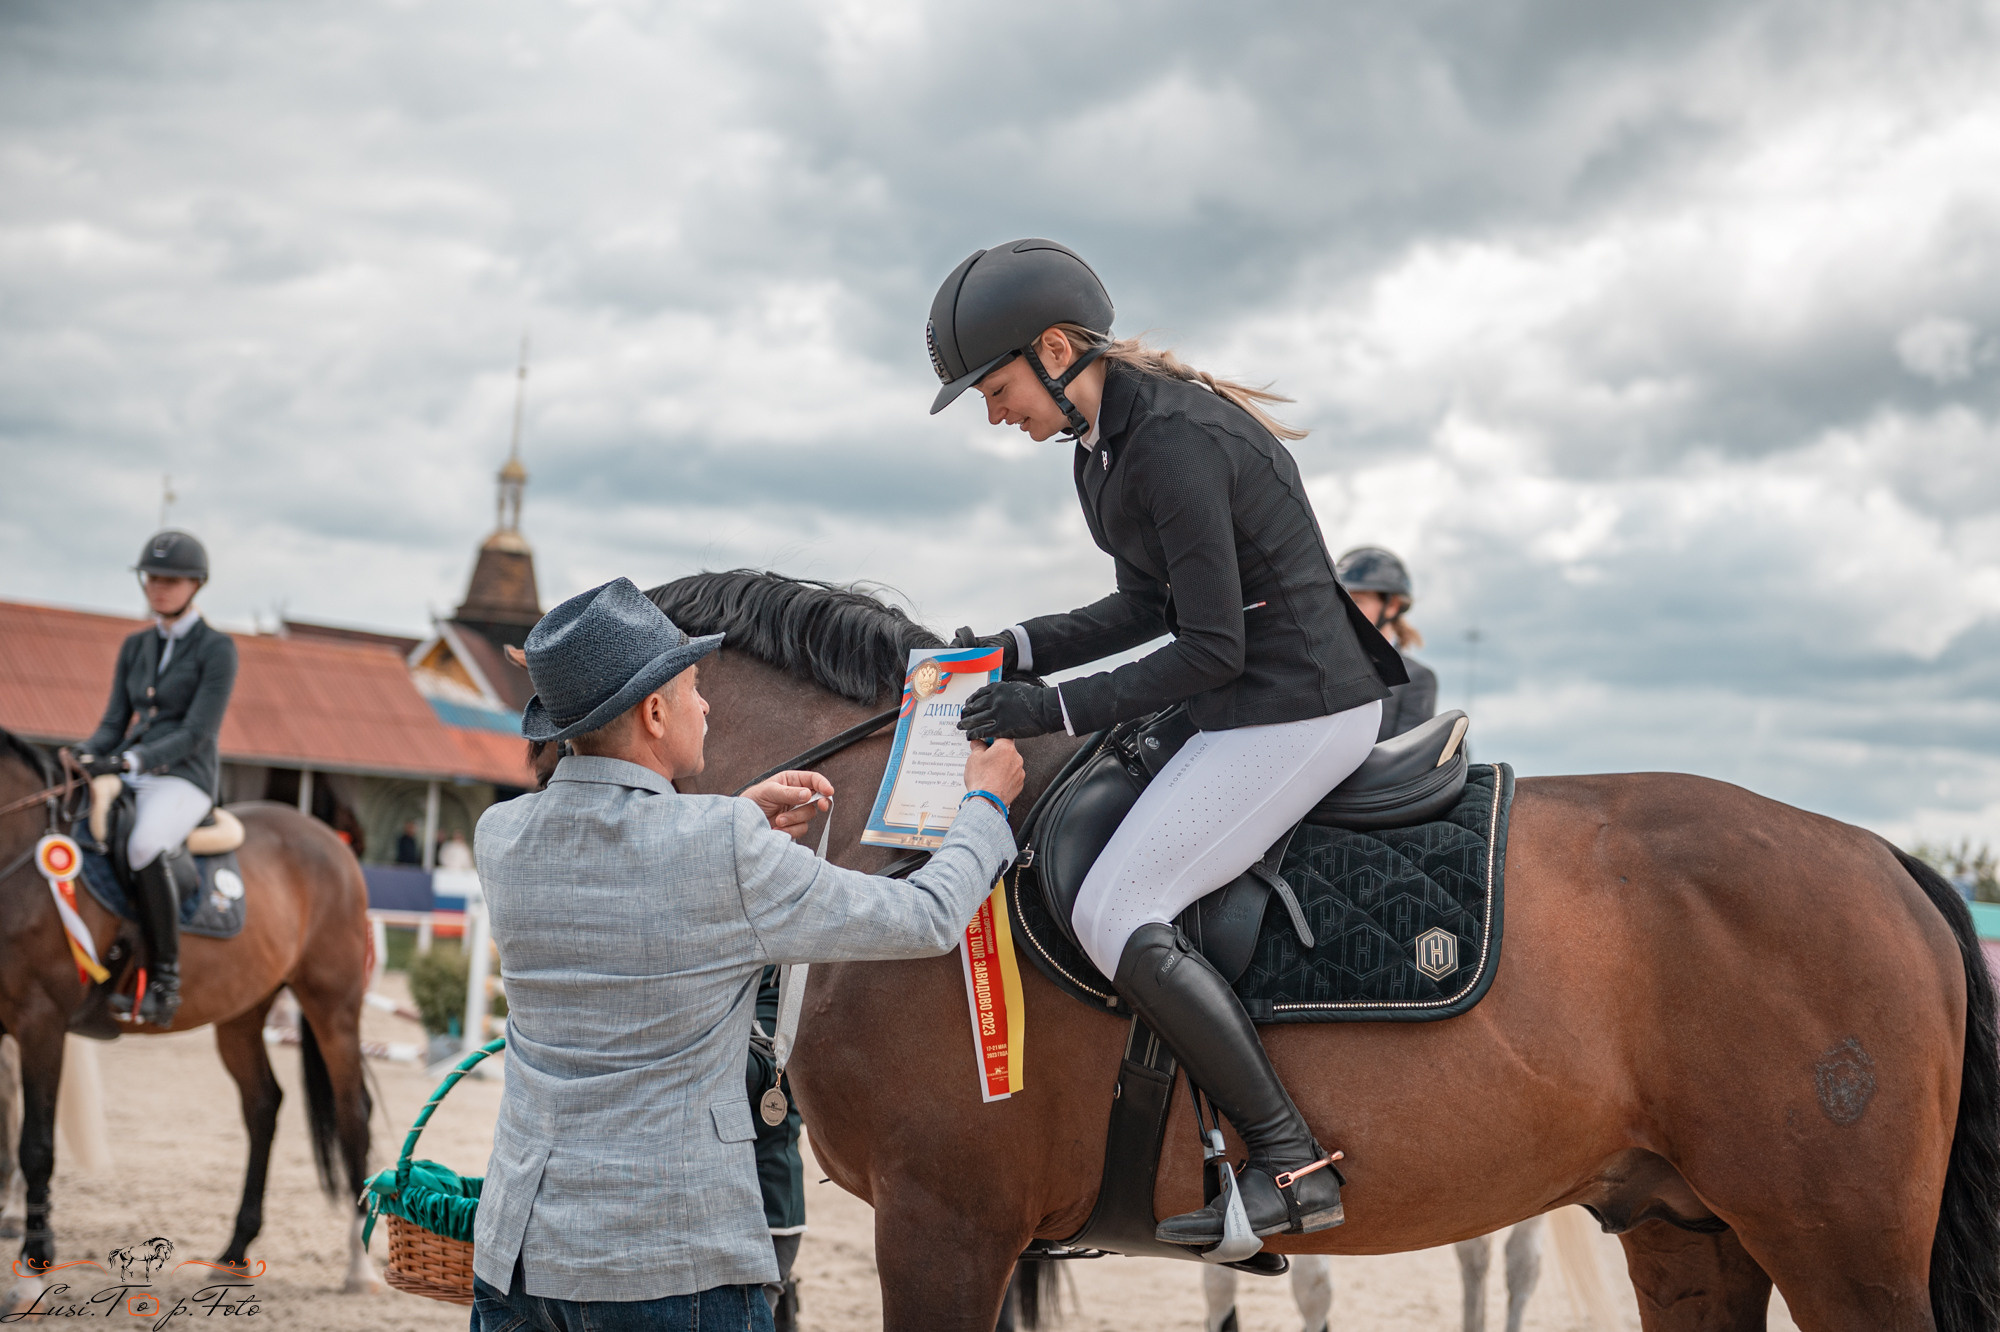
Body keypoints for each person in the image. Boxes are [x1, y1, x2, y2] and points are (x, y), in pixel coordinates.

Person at [931, 240, 1406, 1247]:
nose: (994, 414)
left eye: (996, 389)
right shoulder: (1100, 449)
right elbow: (1144, 606)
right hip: (1245, 697)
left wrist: (1049, 709)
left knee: (1116, 907)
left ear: (1053, 350)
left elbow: (1209, 646)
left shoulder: (1173, 441)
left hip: (1304, 705)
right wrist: (1015, 649)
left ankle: (1290, 1161)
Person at [470, 577, 1024, 1330]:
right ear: (654, 713)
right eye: (694, 689)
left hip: (519, 1257)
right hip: (671, 1265)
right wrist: (985, 806)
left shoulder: (501, 837)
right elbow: (925, 918)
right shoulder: (721, 847)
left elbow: (624, 868)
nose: (706, 707)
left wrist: (735, 821)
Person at [72, 530, 237, 1027]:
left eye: (170, 580)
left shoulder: (217, 649)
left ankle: (165, 979)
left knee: (145, 844)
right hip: (132, 769)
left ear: (195, 584)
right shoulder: (136, 645)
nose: (158, 588)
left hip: (184, 777)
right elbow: (112, 723)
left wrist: (130, 762)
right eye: (151, 578)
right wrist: (83, 755)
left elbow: (196, 732)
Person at [1334, 546, 1438, 741]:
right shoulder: (1324, 667)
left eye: (1357, 600)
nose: (1346, 609)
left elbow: (1408, 753)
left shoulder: (1416, 678)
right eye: (1341, 599)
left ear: (1392, 605)